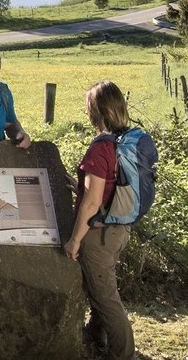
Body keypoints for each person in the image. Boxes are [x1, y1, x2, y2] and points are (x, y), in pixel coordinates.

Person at [63, 81, 136, 360]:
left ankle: (123, 354)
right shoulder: (124, 142)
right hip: (119, 227)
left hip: (99, 234)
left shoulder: (99, 148)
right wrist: (78, 186)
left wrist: (75, 240)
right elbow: (108, 187)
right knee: (100, 288)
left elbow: (92, 203)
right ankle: (95, 335)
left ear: (96, 110)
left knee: (106, 299)